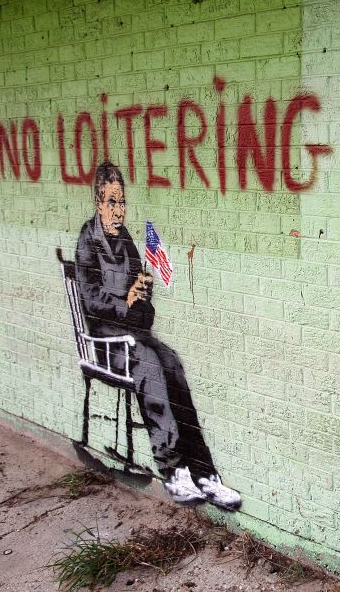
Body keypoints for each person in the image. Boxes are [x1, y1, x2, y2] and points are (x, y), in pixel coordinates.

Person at [75, 161, 241, 510]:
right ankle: (173, 468)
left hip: (134, 337)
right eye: (111, 203)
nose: (119, 211)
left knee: (171, 361)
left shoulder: (129, 244)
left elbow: (146, 316)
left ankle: (205, 473)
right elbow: (91, 301)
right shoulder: (88, 240)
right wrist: (126, 301)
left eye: (122, 203)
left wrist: (140, 301)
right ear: (97, 202)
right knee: (149, 362)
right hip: (105, 342)